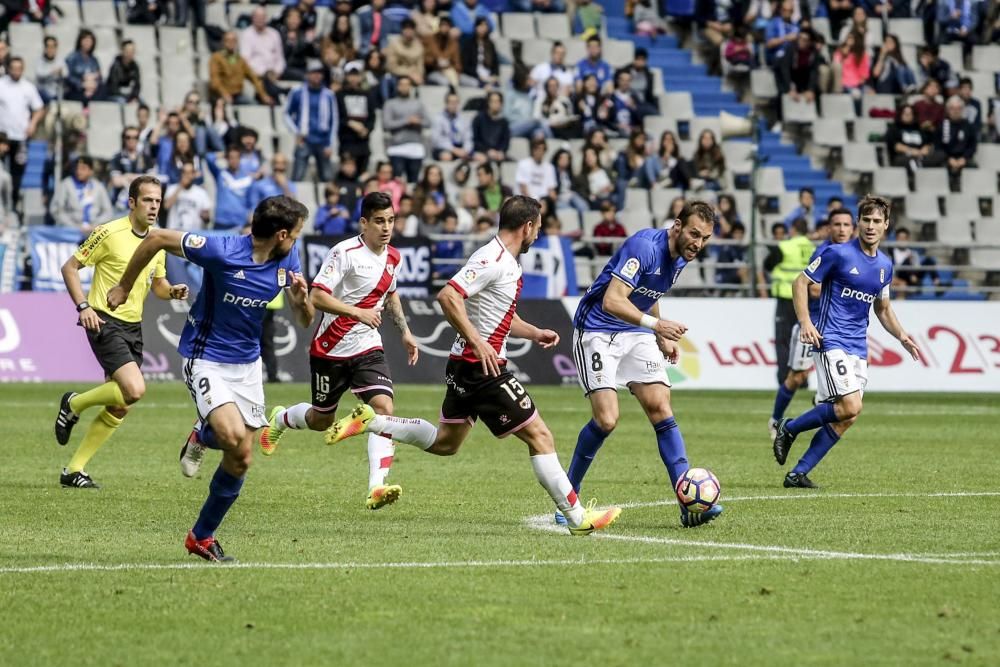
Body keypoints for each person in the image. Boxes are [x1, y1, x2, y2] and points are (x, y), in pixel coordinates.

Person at [324, 196, 622, 536]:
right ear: (526, 227)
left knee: (446, 443)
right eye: (537, 229)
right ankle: (576, 517)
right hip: (483, 370)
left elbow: (498, 316)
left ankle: (373, 422)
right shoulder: (492, 259)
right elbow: (448, 296)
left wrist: (534, 332)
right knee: (540, 436)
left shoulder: (505, 261)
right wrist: (479, 343)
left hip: (464, 365)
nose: (537, 236)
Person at [106, 196, 315, 562]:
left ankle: (201, 536)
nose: (296, 240)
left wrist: (301, 300)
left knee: (242, 457)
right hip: (206, 358)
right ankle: (208, 431)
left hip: (247, 365)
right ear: (281, 234)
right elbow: (155, 240)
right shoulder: (221, 250)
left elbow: (304, 320)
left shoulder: (288, 260)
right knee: (233, 436)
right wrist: (124, 286)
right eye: (295, 234)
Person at [565, 201, 723, 528]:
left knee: (660, 408)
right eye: (694, 234)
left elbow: (650, 291)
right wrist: (656, 327)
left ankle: (688, 503)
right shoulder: (644, 247)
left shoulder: (681, 256)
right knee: (607, 419)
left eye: (705, 238)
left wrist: (660, 334)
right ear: (677, 226)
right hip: (596, 330)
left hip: (634, 332)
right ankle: (569, 497)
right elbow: (612, 300)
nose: (698, 243)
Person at [259, 192, 420, 509]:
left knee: (384, 410)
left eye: (390, 220)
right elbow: (317, 297)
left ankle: (376, 487)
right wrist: (356, 312)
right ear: (364, 222)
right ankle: (280, 419)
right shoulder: (344, 252)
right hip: (330, 348)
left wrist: (405, 332)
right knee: (321, 419)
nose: (386, 228)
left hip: (367, 347)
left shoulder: (394, 258)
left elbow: (391, 295)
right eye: (379, 221)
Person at [772, 196, 921, 488]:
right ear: (858, 223)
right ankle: (789, 428)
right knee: (851, 406)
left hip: (857, 347)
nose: (870, 226)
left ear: (886, 225)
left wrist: (902, 335)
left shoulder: (884, 266)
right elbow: (800, 282)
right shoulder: (837, 253)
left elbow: (883, 308)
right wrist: (805, 322)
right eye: (866, 220)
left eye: (877, 221)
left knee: (846, 416)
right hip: (830, 339)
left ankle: (797, 473)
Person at [54, 176, 189, 489]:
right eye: (147, 200)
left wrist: (172, 292)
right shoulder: (108, 232)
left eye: (157, 201)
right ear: (132, 202)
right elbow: (69, 268)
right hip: (103, 319)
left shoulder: (157, 242)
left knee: (120, 404)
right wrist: (83, 307)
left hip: (133, 325)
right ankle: (73, 404)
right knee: (135, 389)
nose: (154, 206)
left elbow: (158, 285)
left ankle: (73, 470)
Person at [768, 208, 855, 439]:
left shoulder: (857, 254)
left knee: (843, 391)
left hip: (839, 330)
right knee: (796, 377)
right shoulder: (824, 251)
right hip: (814, 325)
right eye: (837, 225)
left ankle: (818, 410)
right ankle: (776, 421)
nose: (842, 229)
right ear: (829, 228)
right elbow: (814, 288)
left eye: (846, 225)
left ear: (853, 228)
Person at [764, 217, 814, 385]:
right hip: (806, 299)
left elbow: (767, 265)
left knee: (784, 341)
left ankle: (786, 379)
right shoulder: (812, 248)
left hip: (786, 298)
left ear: (793, 230)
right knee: (804, 340)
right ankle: (803, 380)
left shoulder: (785, 247)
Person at [0, 56, 44, 212]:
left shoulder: (28, 88)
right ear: (9, 68)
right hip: (3, 138)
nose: (16, 71)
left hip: (20, 138)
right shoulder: (2, 84)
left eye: (19, 68)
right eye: (14, 68)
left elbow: (39, 108)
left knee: (17, 174)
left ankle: (12, 206)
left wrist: (32, 124)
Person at [284, 60, 339, 182]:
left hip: (323, 141)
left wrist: (330, 144)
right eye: (313, 72)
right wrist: (296, 132)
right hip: (304, 139)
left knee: (327, 178)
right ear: (307, 74)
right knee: (297, 176)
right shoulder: (297, 92)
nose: (317, 75)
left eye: (319, 73)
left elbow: (333, 120)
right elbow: (287, 113)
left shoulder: (329, 95)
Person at [382, 75, 429, 183]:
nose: (404, 87)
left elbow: (428, 122)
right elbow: (386, 124)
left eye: (407, 85)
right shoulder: (390, 104)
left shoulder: (418, 104)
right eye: (402, 85)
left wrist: (418, 122)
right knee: (397, 181)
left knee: (414, 181)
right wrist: (406, 121)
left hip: (415, 147)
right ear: (397, 87)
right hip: (397, 148)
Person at [209, 31, 274, 106]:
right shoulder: (216, 58)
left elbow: (254, 78)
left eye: (233, 40)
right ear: (223, 42)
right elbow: (215, 81)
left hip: (237, 95)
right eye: (228, 40)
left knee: (253, 105)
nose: (231, 43)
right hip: (220, 95)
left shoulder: (240, 60)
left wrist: (264, 95)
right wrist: (224, 94)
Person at [50, 156, 114, 232]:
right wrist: (74, 226)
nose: (79, 172)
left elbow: (108, 211)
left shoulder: (98, 186)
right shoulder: (66, 184)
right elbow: (57, 210)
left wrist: (96, 225)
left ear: (91, 171)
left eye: (83, 169)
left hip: (94, 230)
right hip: (71, 230)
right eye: (77, 168)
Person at [205, 145, 257, 231]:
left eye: (237, 157)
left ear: (240, 159)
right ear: (227, 159)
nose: (234, 160)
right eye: (231, 157)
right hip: (220, 222)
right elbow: (208, 158)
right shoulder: (221, 174)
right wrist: (223, 154)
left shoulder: (248, 179)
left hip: (239, 224)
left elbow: (252, 202)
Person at [431, 92, 473, 161]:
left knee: (478, 157)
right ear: (446, 103)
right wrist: (454, 149)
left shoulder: (464, 119)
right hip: (444, 148)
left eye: (456, 102)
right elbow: (436, 140)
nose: (454, 105)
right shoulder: (438, 118)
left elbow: (468, 138)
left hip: (460, 147)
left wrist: (466, 150)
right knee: (446, 156)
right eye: (451, 102)